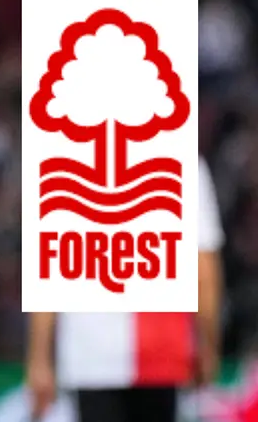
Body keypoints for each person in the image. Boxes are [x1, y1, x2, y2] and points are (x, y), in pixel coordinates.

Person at [26, 156, 226, 422]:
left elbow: (49, 268)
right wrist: (207, 343)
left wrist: (39, 358)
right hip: (160, 350)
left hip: (92, 353)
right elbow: (204, 270)